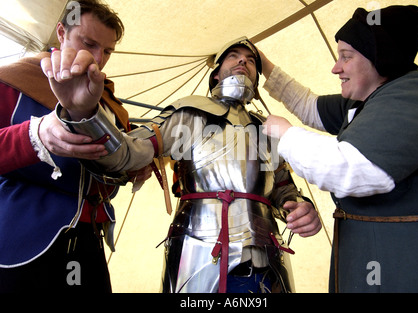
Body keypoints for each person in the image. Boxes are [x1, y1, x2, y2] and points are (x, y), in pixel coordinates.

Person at [43, 36, 322, 293]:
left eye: (250, 60)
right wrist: (84, 113)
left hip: (268, 259)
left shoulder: (269, 129)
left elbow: (284, 189)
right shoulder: (190, 113)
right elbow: (129, 152)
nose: (243, 61)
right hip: (198, 253)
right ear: (216, 74)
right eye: (234, 56)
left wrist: (301, 207)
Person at [260, 5, 418, 292]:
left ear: (381, 57)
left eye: (346, 57)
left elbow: (351, 169)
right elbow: (308, 105)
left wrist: (285, 135)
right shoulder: (365, 100)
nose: (336, 68)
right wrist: (263, 65)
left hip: (411, 270)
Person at [0, 0, 149, 293]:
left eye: (107, 51)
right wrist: (37, 134)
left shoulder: (112, 106)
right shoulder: (11, 80)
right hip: (17, 241)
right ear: (61, 32)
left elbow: (110, 174)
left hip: (87, 241)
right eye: (89, 43)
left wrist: (134, 168)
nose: (98, 57)